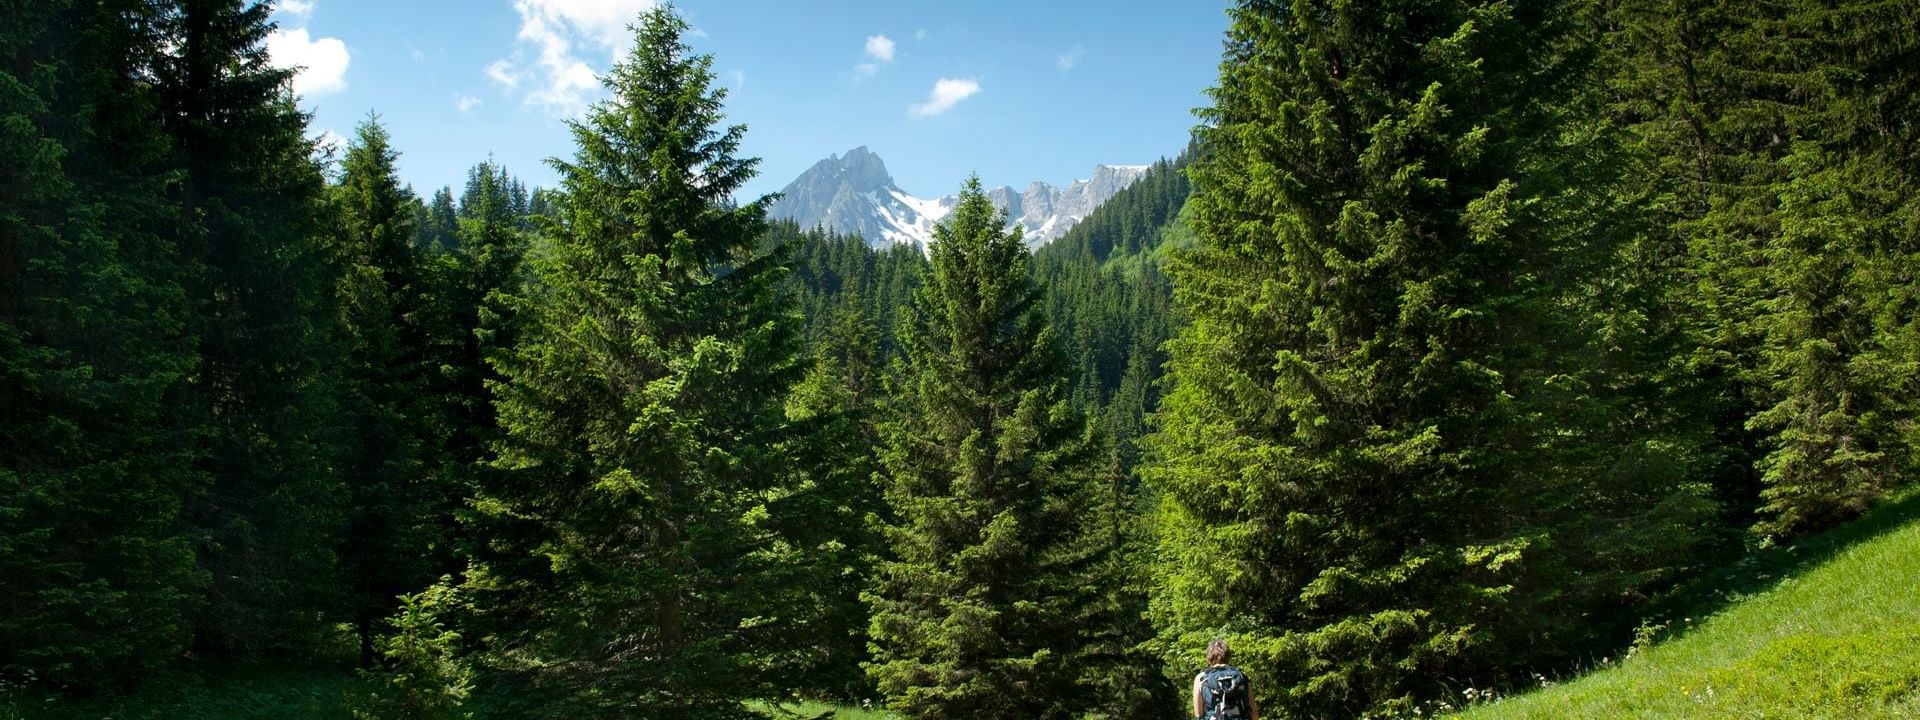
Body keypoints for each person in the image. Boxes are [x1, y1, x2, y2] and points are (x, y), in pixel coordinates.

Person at [1192, 638, 1259, 720]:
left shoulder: (1201, 678)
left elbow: (1199, 714)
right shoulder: (1241, 676)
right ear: (1228, 655)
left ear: (1208, 657)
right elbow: (1253, 711)